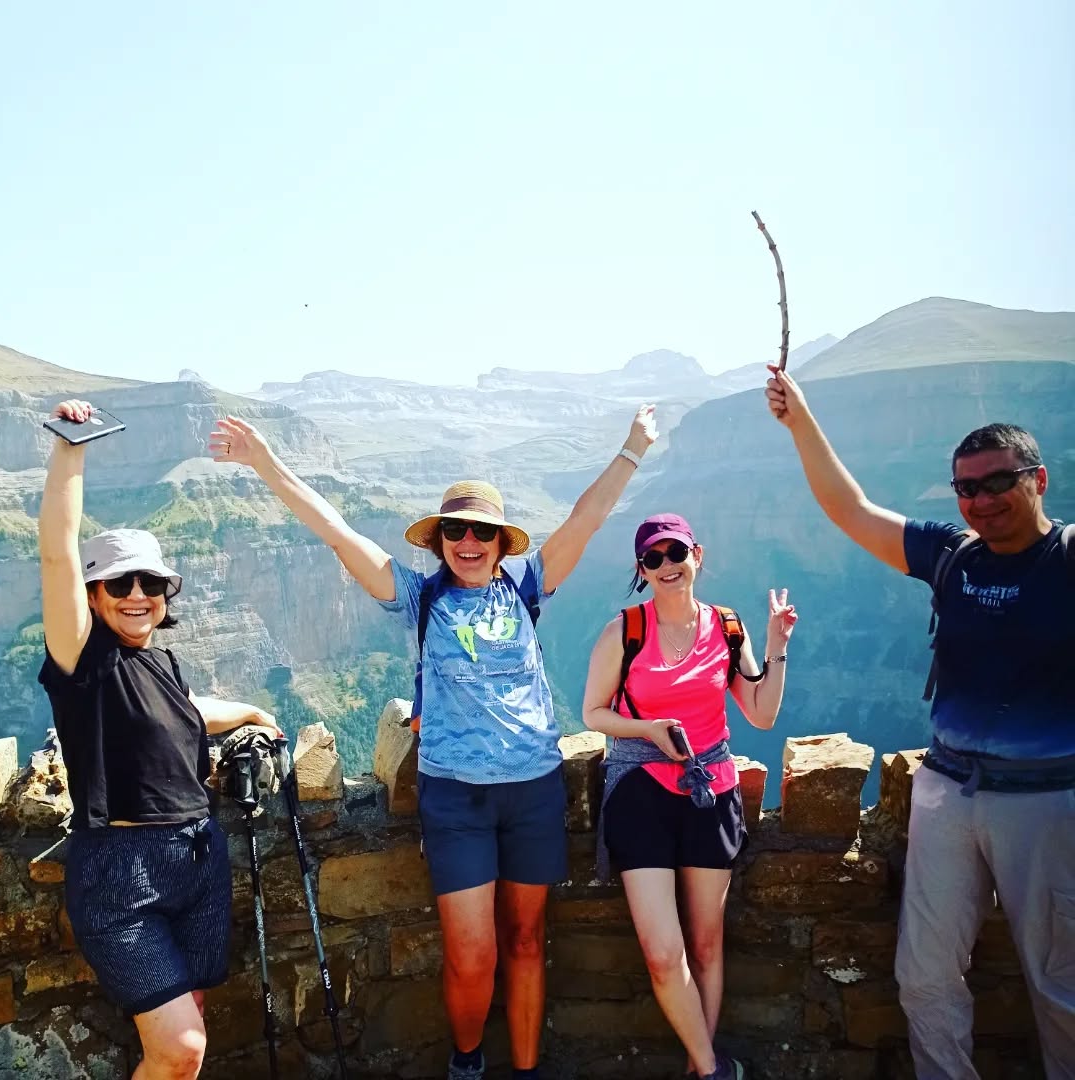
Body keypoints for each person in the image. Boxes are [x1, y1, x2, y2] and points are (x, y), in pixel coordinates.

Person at [209, 404, 659, 1080]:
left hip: (535, 789)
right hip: (456, 800)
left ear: (502, 541)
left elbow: (586, 520)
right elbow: (335, 533)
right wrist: (266, 463)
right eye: (455, 531)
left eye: (482, 531)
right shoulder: (420, 598)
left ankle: (528, 1071)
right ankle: (468, 1064)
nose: (468, 542)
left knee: (528, 942)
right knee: (472, 953)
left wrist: (632, 448)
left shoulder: (528, 587)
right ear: (439, 540)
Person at [765, 367, 1075, 1079]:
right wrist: (800, 421)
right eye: (966, 487)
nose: (981, 501)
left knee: (1062, 984)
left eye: (998, 482)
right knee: (925, 976)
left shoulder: (1068, 558)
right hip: (945, 793)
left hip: (1049, 800)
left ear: (1040, 480)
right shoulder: (950, 554)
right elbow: (851, 509)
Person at [38, 399, 282, 1080]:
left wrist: (254, 712)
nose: (137, 594)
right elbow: (56, 555)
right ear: (93, 594)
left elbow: (183, 710)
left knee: (186, 1026)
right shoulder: (79, 658)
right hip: (121, 871)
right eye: (119, 583)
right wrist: (70, 452)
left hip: (197, 860)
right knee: (182, 1049)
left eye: (151, 582)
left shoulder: (159, 659)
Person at [581, 513, 797, 1080]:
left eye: (674, 552)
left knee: (705, 946)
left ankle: (695, 1067)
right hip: (640, 795)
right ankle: (711, 1068)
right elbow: (592, 712)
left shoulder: (727, 627)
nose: (666, 566)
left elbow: (762, 713)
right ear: (641, 570)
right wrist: (650, 729)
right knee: (661, 951)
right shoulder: (624, 631)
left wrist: (776, 645)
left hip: (711, 794)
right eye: (652, 559)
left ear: (697, 554)